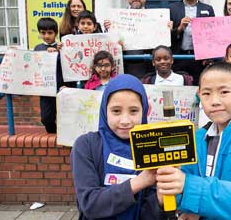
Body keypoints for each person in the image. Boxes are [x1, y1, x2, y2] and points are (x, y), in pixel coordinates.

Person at [155, 62, 231, 219]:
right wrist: (170, 194)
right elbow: (183, 178)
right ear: (199, 96)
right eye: (206, 93)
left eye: (224, 92)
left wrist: (188, 187)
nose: (214, 101)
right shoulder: (197, 137)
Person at [71, 74, 166, 220]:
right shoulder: (86, 145)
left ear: (144, 111)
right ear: (104, 110)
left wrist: (160, 200)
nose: (125, 121)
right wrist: (140, 181)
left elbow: (149, 214)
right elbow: (90, 204)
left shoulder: (152, 148)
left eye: (134, 111)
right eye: (116, 111)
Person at [170, 0, 215, 84]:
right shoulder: (172, 8)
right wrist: (180, 28)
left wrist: (209, 56)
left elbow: (213, 35)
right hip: (178, 57)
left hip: (200, 60)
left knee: (200, 87)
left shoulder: (208, 9)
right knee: (180, 88)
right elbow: (165, 36)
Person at [104, 0, 155, 78]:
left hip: (149, 67)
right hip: (125, 65)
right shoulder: (116, 18)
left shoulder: (156, 17)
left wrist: (167, 28)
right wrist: (108, 30)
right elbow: (110, 42)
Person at [34, 18, 63, 134]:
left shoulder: (62, 46)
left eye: (50, 32)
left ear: (55, 33)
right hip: (45, 88)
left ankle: (62, 137)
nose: (46, 35)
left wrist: (58, 51)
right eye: (43, 32)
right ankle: (52, 135)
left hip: (61, 86)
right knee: (46, 118)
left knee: (63, 115)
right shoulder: (37, 48)